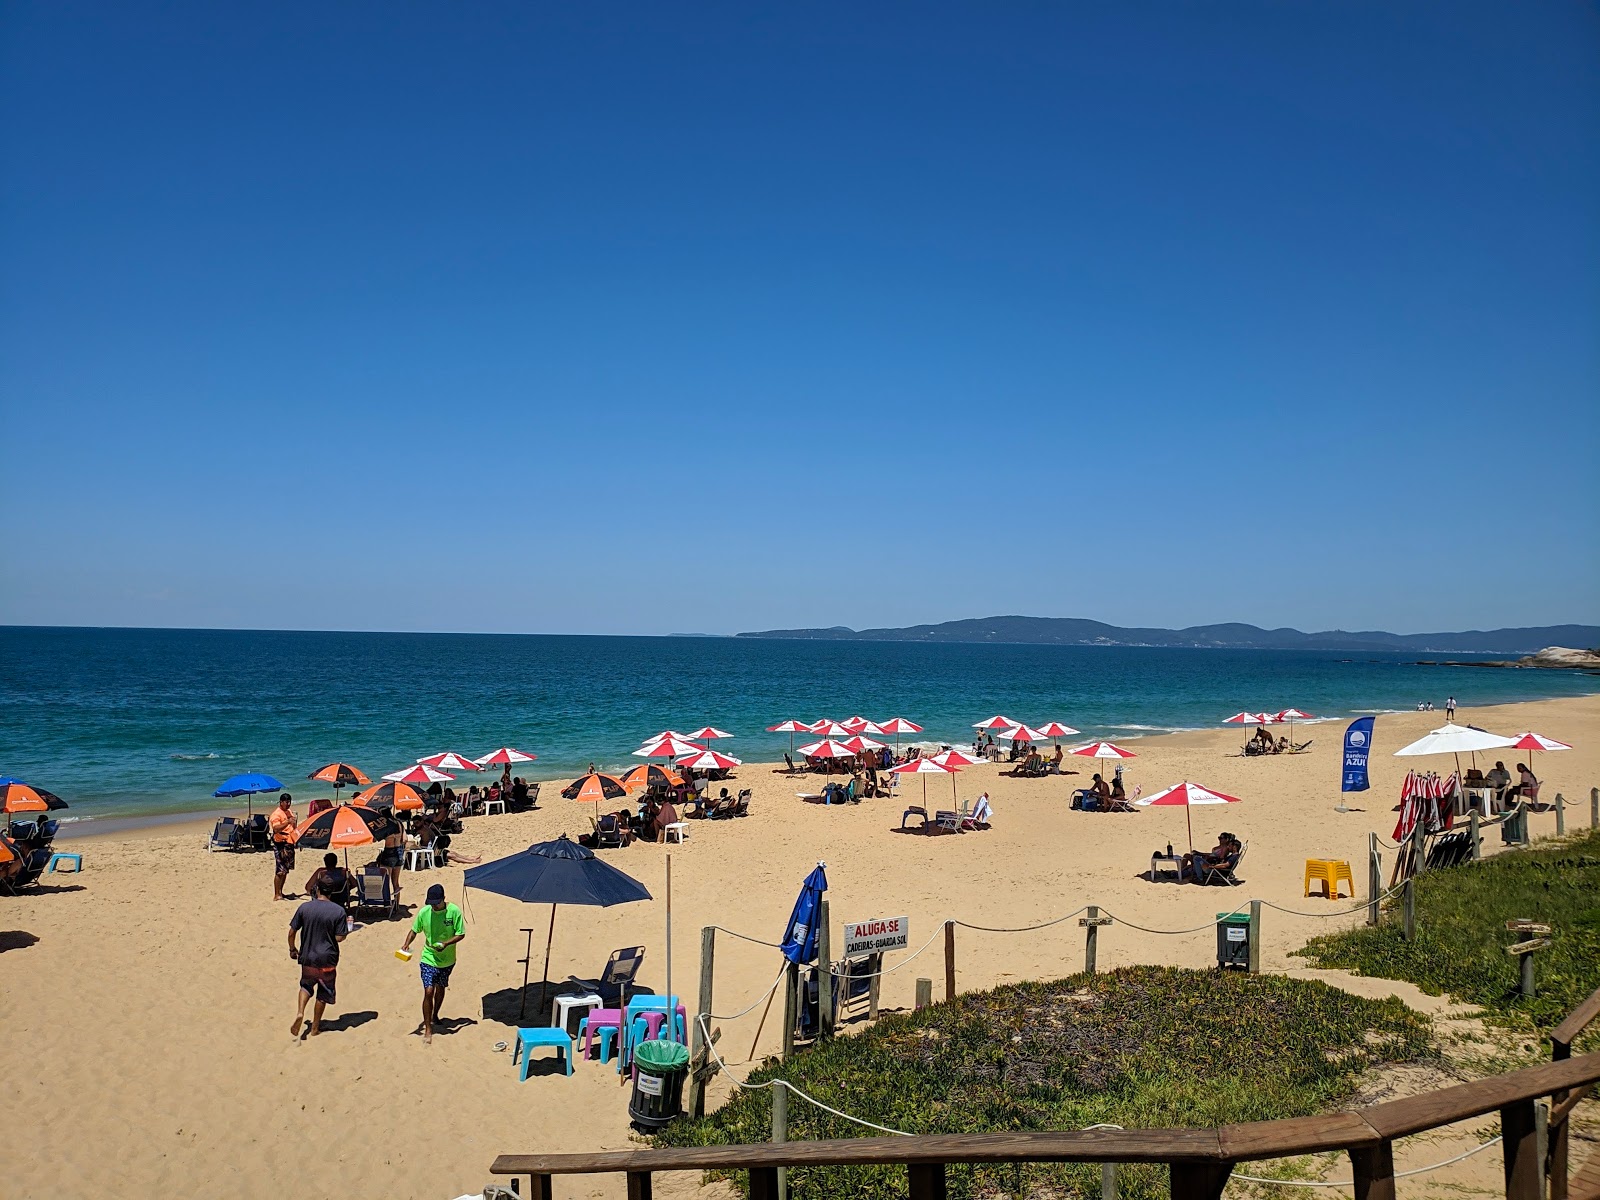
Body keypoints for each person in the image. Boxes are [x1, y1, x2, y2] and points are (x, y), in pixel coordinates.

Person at [401, 883, 466, 1044]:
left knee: (440, 988)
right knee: (428, 991)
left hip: (448, 959)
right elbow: (414, 930)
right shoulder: (424, 912)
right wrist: (406, 943)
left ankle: (435, 1014)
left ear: (443, 899)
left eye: (436, 903)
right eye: (431, 903)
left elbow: (461, 934)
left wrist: (446, 944)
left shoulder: (454, 912)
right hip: (428, 957)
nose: (434, 906)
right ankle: (428, 1028)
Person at [288, 877, 348, 1037]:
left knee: (305, 986)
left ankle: (300, 1012)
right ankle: (315, 1027)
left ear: (317, 890)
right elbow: (339, 938)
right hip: (327, 958)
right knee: (323, 992)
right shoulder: (338, 911)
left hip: (308, 955)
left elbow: (292, 932)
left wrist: (292, 949)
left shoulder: (304, 907)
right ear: (332, 892)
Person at [269, 794, 298, 901]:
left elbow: (293, 827)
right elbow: (276, 829)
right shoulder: (276, 814)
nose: (288, 804)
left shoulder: (289, 812)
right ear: (281, 802)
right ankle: (276, 894)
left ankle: (281, 891)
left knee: (285, 870)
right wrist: (287, 822)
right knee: (280, 870)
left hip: (289, 842)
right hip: (280, 843)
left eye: (289, 802)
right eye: (286, 802)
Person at [373, 809, 404, 901]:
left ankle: (387, 903)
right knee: (395, 883)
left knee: (385, 882)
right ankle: (396, 905)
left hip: (389, 852)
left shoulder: (385, 824)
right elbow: (404, 839)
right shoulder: (399, 823)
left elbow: (375, 839)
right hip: (399, 852)